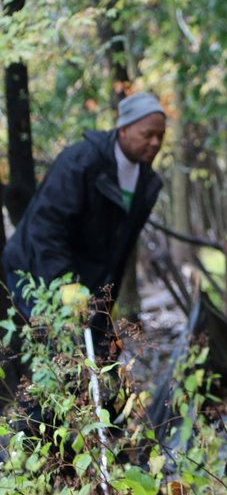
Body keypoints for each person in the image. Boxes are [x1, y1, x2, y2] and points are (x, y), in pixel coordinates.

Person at [3, 91, 166, 337]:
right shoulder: (79, 163)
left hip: (88, 283)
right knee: (59, 355)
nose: (155, 142)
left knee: (102, 359)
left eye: (160, 136)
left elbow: (119, 249)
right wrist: (66, 284)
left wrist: (107, 299)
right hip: (36, 273)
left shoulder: (147, 183)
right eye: (147, 135)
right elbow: (45, 229)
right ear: (123, 130)